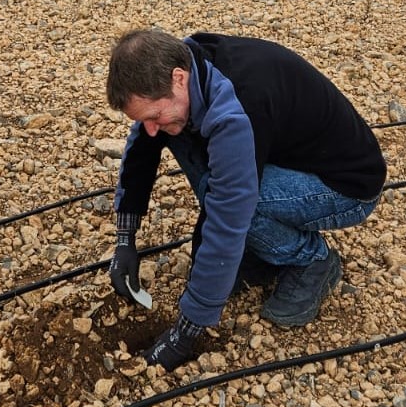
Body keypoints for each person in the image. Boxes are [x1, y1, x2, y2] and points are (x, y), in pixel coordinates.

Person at [106, 29, 387, 371]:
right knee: (173, 131)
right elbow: (142, 147)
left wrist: (188, 329)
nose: (149, 128)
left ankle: (311, 261)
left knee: (244, 205)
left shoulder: (241, 100)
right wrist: (125, 239)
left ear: (178, 79)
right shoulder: (185, 69)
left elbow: (229, 212)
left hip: (345, 185)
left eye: (151, 116)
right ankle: (266, 250)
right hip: (288, 159)